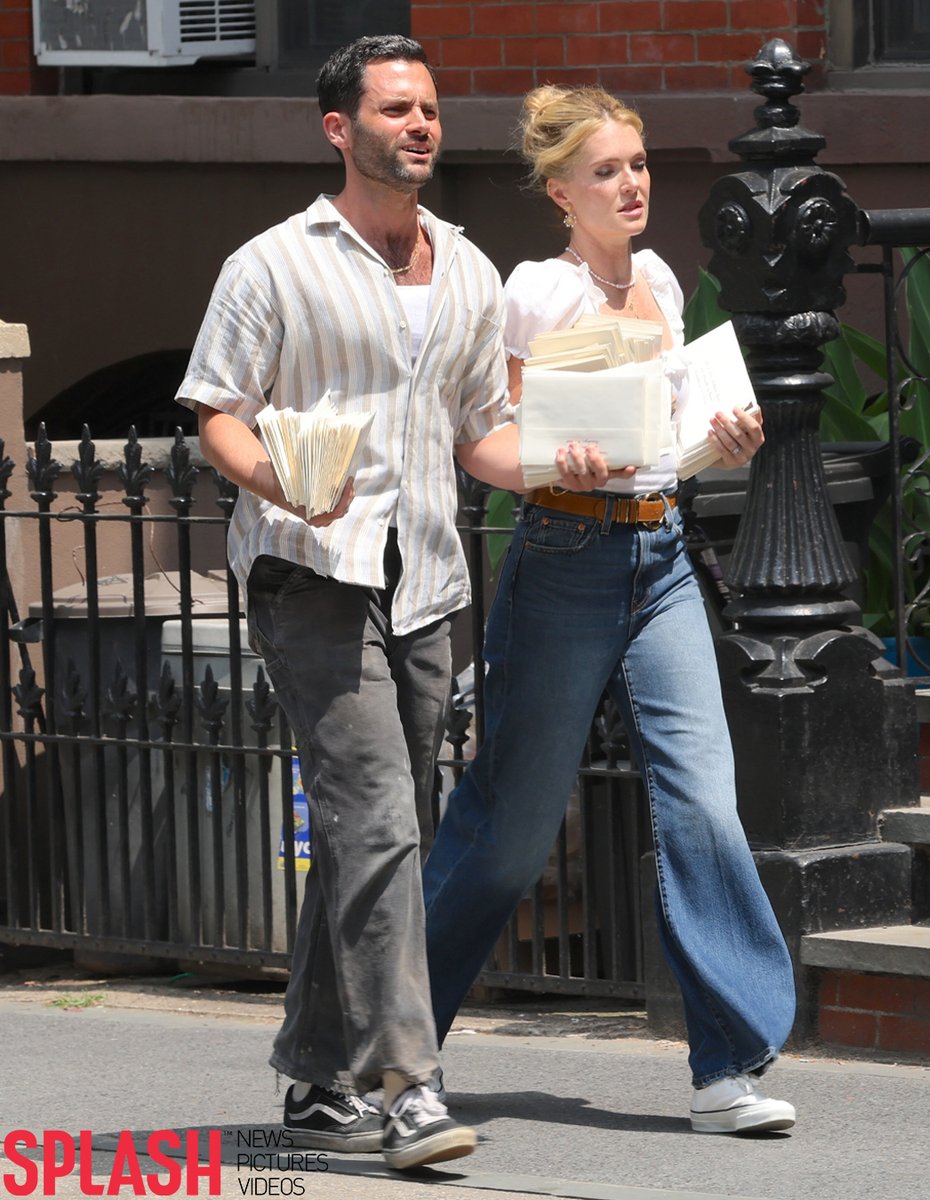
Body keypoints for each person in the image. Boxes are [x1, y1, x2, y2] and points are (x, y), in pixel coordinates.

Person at [177, 41, 623, 1172]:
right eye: (396, 108)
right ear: (340, 128)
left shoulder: (468, 271)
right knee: (375, 818)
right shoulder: (273, 264)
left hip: (423, 577)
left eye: (429, 108)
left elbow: (481, 437)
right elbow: (218, 410)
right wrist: (276, 477)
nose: (421, 123)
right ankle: (407, 1084)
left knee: (379, 830)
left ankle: (319, 1072)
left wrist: (566, 463)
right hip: (309, 571)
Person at [422, 84, 799, 1135]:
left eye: (637, 165)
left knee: (704, 805)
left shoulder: (666, 280)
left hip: (664, 551)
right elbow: (483, 442)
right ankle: (389, 1049)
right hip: (565, 558)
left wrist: (721, 441)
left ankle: (726, 1067)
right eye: (606, 171)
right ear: (560, 191)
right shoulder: (536, 294)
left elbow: (668, 434)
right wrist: (550, 462)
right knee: (510, 831)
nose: (631, 184)